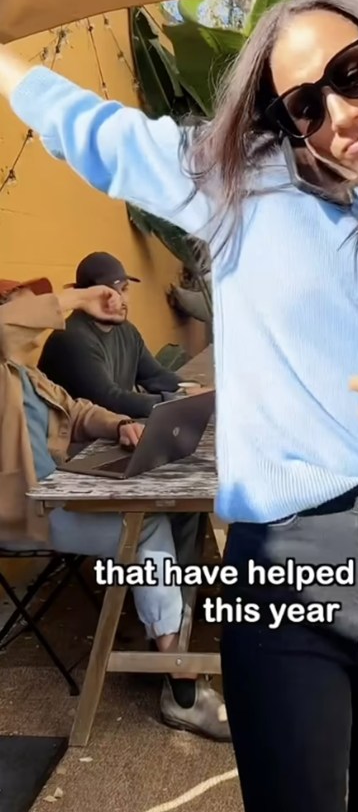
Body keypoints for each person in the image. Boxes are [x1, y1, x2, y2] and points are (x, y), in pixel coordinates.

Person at [2, 0, 358, 812]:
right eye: (304, 104)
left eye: (353, 73)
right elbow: (95, 134)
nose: (339, 114)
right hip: (288, 564)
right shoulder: (242, 193)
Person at [0, 277, 229, 743]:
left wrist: (122, 424)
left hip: (62, 491)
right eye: (31, 304)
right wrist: (83, 297)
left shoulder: (23, 374)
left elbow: (79, 409)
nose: (43, 317)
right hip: (28, 513)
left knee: (176, 512)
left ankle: (167, 634)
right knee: (144, 528)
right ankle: (180, 685)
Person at [38, 251, 187, 419]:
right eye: (107, 293)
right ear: (87, 296)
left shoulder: (127, 331)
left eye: (124, 289)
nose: (120, 300)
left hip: (110, 430)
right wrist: (174, 402)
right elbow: (108, 400)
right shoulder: (72, 338)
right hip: (72, 440)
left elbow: (154, 375)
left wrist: (190, 390)